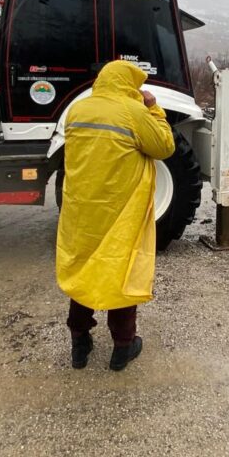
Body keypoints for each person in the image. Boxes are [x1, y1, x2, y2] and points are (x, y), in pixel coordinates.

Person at [55, 60, 175, 371]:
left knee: (85, 273)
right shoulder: (133, 112)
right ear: (128, 84)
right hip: (119, 211)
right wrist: (153, 107)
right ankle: (123, 346)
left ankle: (79, 344)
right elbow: (164, 146)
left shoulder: (78, 110)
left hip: (81, 212)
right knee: (121, 272)